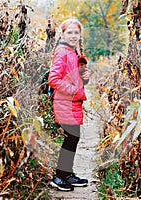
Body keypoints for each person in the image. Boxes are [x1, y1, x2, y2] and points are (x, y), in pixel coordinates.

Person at [48, 17, 89, 191]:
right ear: (63, 34)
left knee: (73, 138)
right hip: (65, 102)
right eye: (69, 32)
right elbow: (54, 79)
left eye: (76, 32)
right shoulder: (62, 51)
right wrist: (73, 89)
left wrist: (83, 80)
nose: (73, 36)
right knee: (70, 138)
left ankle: (67, 174)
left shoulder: (73, 51)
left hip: (73, 102)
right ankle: (58, 176)